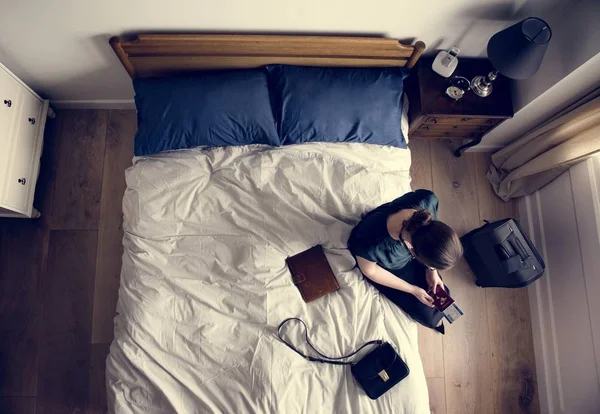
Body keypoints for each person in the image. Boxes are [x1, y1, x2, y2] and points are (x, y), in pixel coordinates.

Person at [348, 189, 463, 333]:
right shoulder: (373, 243)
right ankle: (435, 320)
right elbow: (370, 271)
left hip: (413, 246)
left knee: (438, 290)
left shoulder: (428, 200)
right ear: (413, 250)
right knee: (427, 313)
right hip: (386, 268)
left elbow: (429, 242)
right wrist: (412, 290)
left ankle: (436, 307)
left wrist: (432, 270)